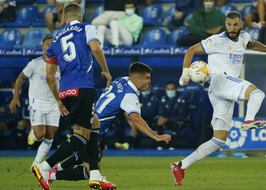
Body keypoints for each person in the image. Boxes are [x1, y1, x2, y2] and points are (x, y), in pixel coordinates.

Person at [171, 11, 266, 186]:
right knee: (257, 94)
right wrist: (185, 75)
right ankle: (248, 121)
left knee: (218, 140)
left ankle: (180, 166)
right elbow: (190, 51)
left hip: (220, 91)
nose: (232, 28)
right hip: (220, 80)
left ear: (241, 25)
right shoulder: (216, 40)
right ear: (225, 24)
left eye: (235, 25)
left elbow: (253, 44)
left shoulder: (244, 37)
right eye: (229, 25)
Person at [43, 62, 171, 185]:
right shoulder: (130, 96)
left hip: (89, 120)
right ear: (137, 79)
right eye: (147, 78)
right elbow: (135, 118)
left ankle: (57, 169)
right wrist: (156, 136)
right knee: (91, 168)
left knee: (89, 157)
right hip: (93, 131)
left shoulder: (122, 80)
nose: (150, 81)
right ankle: (50, 174)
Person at [31, 3, 114, 190]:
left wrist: (59, 100)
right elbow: (96, 48)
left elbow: (50, 76)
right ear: (81, 16)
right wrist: (106, 71)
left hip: (66, 90)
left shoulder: (55, 40)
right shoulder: (87, 27)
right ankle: (44, 167)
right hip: (84, 86)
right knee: (82, 136)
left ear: (64, 18)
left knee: (94, 123)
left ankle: (95, 175)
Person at [9, 35, 60, 167]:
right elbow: (20, 78)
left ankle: (36, 164)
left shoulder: (62, 64)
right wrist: (16, 97)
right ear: (43, 47)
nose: (49, 46)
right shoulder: (34, 64)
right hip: (37, 103)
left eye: (52, 44)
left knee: (50, 136)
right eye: (47, 44)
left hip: (55, 104)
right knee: (39, 135)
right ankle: (33, 132)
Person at [156, 81, 187, 150]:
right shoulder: (163, 99)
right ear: (165, 90)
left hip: (178, 122)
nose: (170, 91)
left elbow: (182, 116)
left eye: (172, 89)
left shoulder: (182, 99)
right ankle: (159, 146)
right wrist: (161, 119)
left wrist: (167, 119)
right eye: (168, 89)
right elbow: (161, 113)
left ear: (176, 89)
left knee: (175, 124)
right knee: (158, 123)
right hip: (166, 121)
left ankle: (172, 147)